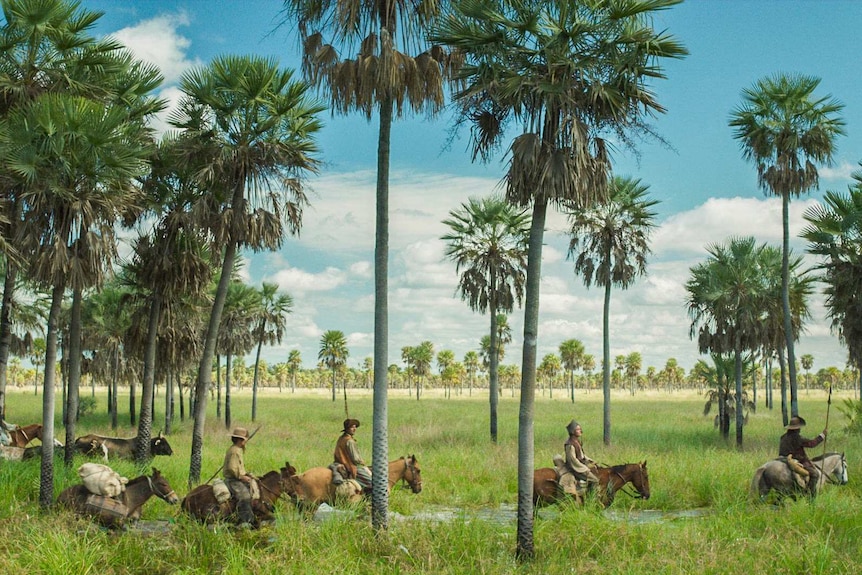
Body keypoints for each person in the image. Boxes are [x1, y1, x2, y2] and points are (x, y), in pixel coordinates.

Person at [779, 416, 827, 496]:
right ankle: (810, 494)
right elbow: (812, 444)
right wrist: (822, 435)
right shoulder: (798, 438)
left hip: (781, 459)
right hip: (795, 460)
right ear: (797, 429)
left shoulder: (783, 437)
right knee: (815, 474)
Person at [224, 427, 255, 527]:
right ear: (239, 440)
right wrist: (242, 477)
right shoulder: (235, 451)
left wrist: (246, 474)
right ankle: (245, 520)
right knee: (245, 496)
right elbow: (232, 468)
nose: (245, 442)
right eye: (244, 440)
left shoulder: (237, 450)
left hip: (237, 478)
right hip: (233, 480)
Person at [333, 418, 372, 493]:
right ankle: (367, 501)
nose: (354, 429)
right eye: (352, 427)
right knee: (372, 483)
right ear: (347, 429)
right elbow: (356, 459)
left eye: (355, 427)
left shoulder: (341, 438)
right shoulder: (350, 441)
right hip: (349, 465)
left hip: (338, 462)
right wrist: (363, 464)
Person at [564, 419, 599, 491]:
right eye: (577, 429)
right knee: (595, 479)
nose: (580, 431)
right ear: (572, 431)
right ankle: (591, 497)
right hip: (575, 468)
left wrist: (590, 460)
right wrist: (585, 468)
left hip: (581, 465)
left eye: (580, 429)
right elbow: (573, 460)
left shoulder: (576, 441)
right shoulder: (570, 444)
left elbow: (582, 454)